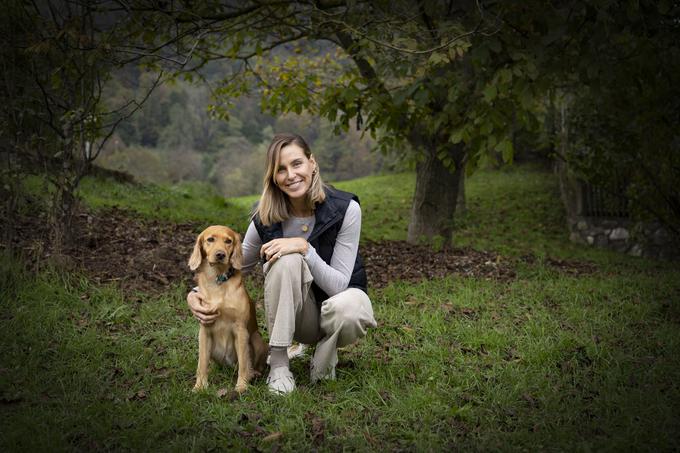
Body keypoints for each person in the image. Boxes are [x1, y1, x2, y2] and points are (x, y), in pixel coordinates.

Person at [187, 132, 377, 394]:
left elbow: (339, 286)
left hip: (339, 308)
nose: (291, 175)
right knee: (285, 260)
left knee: (351, 308)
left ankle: (324, 356)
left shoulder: (346, 209)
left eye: (297, 164)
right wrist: (195, 294)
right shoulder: (265, 217)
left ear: (312, 163)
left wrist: (304, 247)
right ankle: (278, 364)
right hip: (299, 317)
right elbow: (233, 262)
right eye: (281, 169)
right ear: (273, 177)